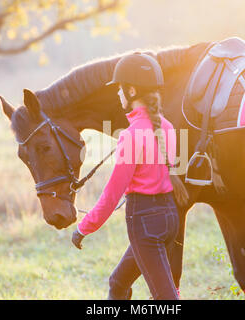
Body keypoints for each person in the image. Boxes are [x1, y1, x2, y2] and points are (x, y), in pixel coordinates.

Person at [71, 52, 189, 300]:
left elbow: (112, 194)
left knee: (167, 301)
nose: (118, 94)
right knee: (118, 282)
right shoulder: (167, 128)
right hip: (169, 218)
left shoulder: (131, 136)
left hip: (145, 223)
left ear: (132, 91)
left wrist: (83, 227)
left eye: (120, 89)